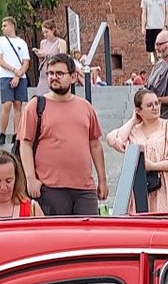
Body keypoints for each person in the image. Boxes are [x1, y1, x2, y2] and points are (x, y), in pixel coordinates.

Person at [17, 55, 108, 216]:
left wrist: (102, 180)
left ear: (73, 77)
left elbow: (95, 144)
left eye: (59, 73)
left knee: (88, 232)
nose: (54, 77)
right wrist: (30, 179)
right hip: (50, 188)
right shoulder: (36, 106)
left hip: (85, 189)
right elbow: (25, 144)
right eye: (50, 73)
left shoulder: (85, 107)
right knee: (57, 232)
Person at [106, 89, 168, 215]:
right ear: (138, 110)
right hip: (141, 188)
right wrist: (133, 121)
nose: (155, 107)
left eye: (157, 103)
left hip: (166, 189)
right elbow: (114, 140)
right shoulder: (133, 131)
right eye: (149, 105)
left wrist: (153, 166)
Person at [0, 17, 31, 147]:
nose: (3, 28)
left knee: (18, 105)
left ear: (12, 26)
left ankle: (16, 133)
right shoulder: (0, 41)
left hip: (20, 77)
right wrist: (14, 70)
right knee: (7, 104)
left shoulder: (21, 43)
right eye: (2, 25)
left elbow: (26, 62)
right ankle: (2, 133)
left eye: (5, 25)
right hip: (6, 76)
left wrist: (19, 75)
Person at [140, 0, 168, 65]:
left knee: (163, 50)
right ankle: (157, 67)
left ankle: (164, 66)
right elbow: (144, 13)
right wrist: (143, 27)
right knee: (153, 50)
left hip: (161, 27)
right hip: (150, 27)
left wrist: (165, 26)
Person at [34, 23, 69, 93]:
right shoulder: (43, 42)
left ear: (53, 30)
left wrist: (47, 54)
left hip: (55, 72)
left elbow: (62, 58)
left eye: (46, 32)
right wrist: (40, 55)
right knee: (42, 94)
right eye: (43, 32)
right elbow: (41, 61)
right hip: (44, 72)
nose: (45, 34)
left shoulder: (61, 42)